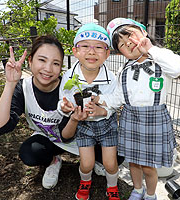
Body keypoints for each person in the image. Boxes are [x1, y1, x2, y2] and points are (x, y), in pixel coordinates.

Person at [93, 18, 180, 200]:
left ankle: (151, 195)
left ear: (143, 33)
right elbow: (117, 97)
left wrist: (150, 49)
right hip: (130, 119)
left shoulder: (160, 59)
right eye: (121, 43)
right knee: (134, 163)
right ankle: (137, 190)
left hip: (155, 119)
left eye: (130, 35)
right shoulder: (124, 70)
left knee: (149, 166)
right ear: (119, 52)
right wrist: (99, 100)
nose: (128, 42)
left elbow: (178, 68)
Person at [0, 35, 89, 190]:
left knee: (115, 156)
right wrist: (10, 83)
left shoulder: (69, 90)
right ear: (30, 61)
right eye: (42, 60)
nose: (48, 69)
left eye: (55, 63)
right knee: (29, 153)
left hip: (75, 138)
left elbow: (66, 136)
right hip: (49, 140)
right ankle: (53, 162)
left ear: (61, 67)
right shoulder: (23, 88)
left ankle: (91, 158)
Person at [58, 23, 121, 200]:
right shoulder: (69, 76)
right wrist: (64, 108)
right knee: (86, 164)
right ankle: (85, 181)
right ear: (75, 51)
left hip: (107, 125)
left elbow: (115, 103)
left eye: (99, 47)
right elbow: (63, 100)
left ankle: (112, 186)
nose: (91, 52)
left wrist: (103, 111)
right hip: (83, 125)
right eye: (85, 46)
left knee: (110, 163)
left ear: (107, 53)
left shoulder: (111, 78)